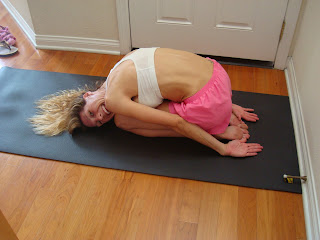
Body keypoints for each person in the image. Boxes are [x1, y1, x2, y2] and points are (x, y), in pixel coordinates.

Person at [30, 48, 263, 157]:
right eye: (98, 123)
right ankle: (222, 110)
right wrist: (228, 102)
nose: (101, 118)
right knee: (157, 93)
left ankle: (216, 123)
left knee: (123, 121)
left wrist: (222, 146)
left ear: (87, 95)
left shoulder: (114, 100)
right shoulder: (120, 66)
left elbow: (176, 124)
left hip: (211, 102)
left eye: (91, 114)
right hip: (219, 76)